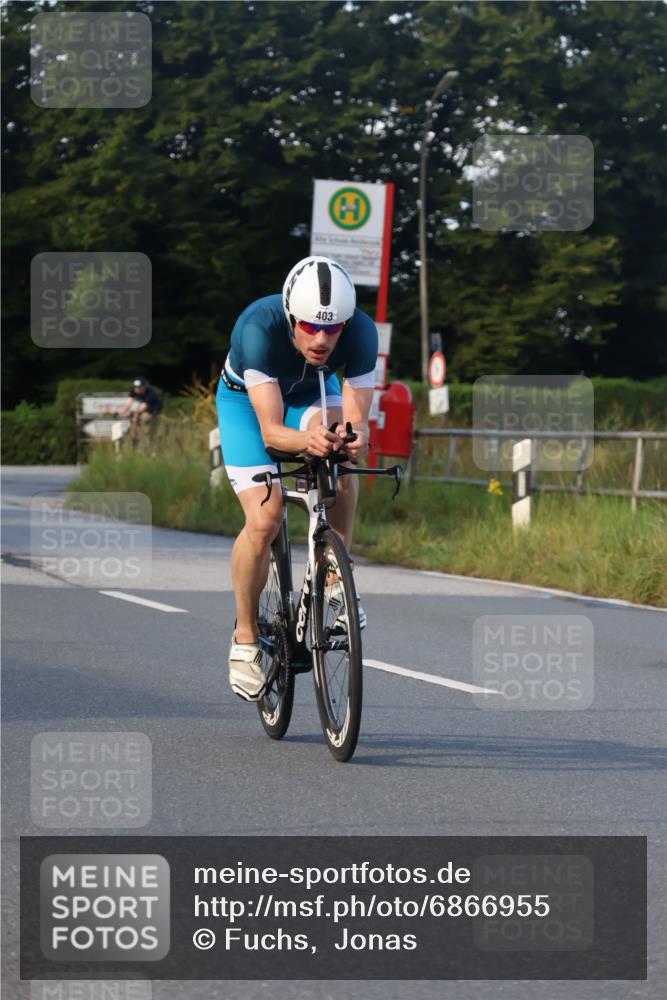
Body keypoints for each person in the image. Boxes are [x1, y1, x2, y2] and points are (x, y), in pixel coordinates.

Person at [216, 255, 378, 702]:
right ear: (291, 316)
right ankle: (245, 638)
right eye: (309, 326)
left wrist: (351, 438)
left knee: (341, 455)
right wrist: (309, 441)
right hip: (247, 406)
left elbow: (356, 420)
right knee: (265, 519)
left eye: (333, 328)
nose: (322, 339)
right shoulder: (257, 327)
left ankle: (336, 575)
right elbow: (271, 432)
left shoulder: (362, 332)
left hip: (310, 395)